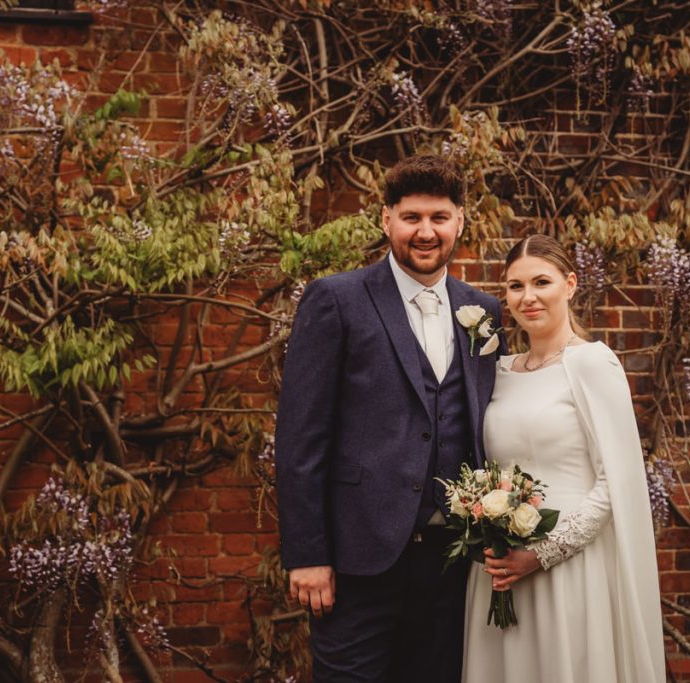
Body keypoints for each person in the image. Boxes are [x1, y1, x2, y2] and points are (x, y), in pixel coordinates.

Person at [275, 154, 507, 682]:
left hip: (452, 568)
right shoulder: (336, 300)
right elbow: (299, 439)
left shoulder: (484, 311)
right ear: (387, 220)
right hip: (359, 564)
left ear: (459, 222)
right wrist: (306, 555)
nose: (425, 232)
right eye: (411, 218)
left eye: (439, 218)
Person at [462, 234, 666, 682]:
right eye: (516, 286)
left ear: (570, 284)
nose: (528, 297)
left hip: (568, 567)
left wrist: (541, 554)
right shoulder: (497, 371)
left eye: (541, 282)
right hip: (500, 569)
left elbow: (617, 480)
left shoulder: (592, 363)